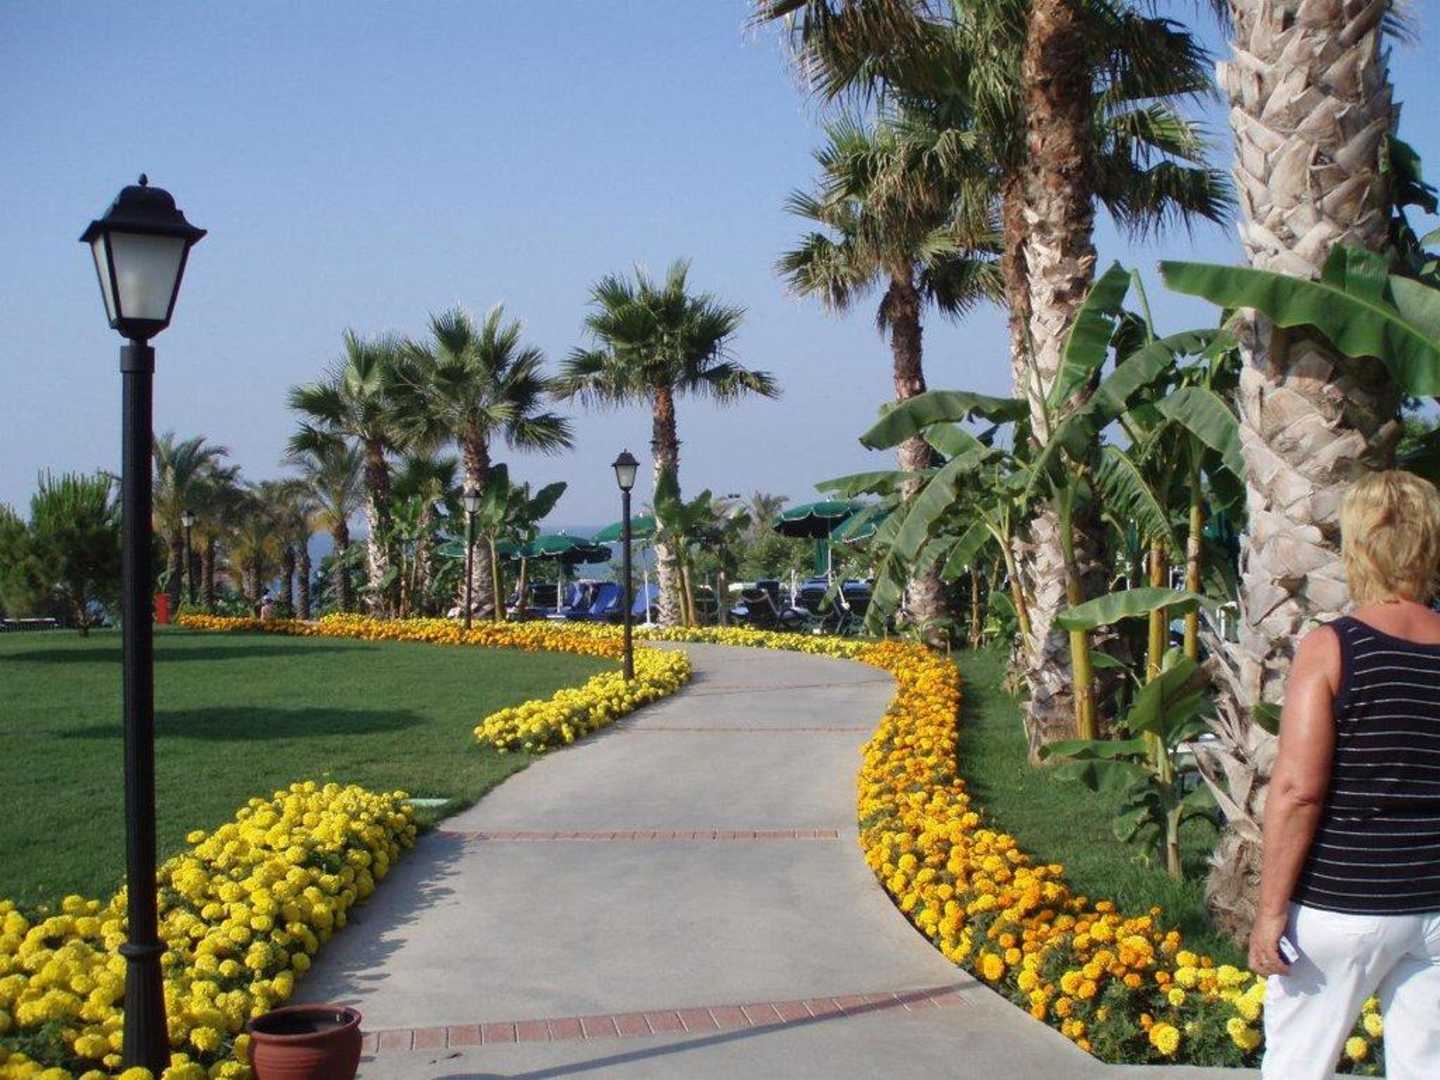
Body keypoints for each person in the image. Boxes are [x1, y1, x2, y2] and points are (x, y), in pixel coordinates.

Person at [1251, 470, 1440, 1079]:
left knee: (1298, 1065)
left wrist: (1270, 911)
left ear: (1357, 545)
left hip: (1343, 902)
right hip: (1435, 903)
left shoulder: (1334, 647)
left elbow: (1298, 791)